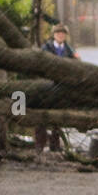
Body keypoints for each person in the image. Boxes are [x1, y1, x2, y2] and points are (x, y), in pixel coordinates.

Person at [37, 24, 78, 153]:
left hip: (62, 87)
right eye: (58, 33)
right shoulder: (46, 49)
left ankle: (55, 145)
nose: (60, 35)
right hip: (46, 86)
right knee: (42, 115)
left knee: (58, 117)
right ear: (54, 35)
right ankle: (40, 143)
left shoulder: (69, 51)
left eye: (63, 34)